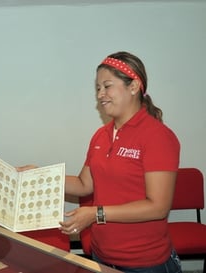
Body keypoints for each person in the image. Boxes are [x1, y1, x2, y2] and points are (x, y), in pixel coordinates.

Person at [59, 51, 182, 273]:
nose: (100, 94)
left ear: (134, 86)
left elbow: (158, 206)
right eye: (97, 88)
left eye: (107, 86)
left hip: (145, 263)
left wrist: (95, 213)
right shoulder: (101, 135)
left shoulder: (158, 136)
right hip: (102, 255)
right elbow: (84, 184)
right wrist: (42, 177)